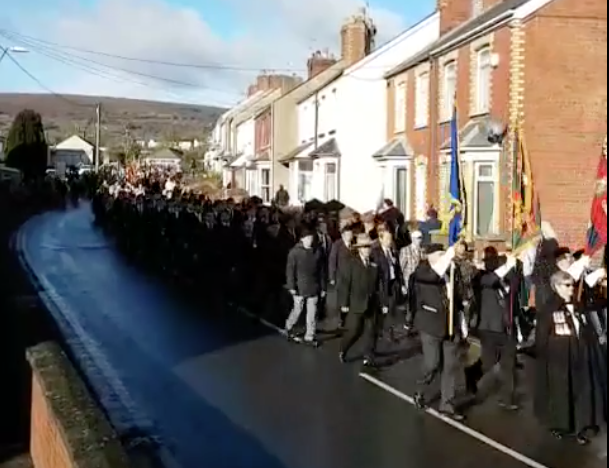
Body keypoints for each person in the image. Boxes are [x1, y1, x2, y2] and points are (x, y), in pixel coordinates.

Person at [534, 270, 605, 445]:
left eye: (572, 285)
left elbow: (586, 326)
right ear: (557, 286)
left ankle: (582, 425)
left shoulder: (577, 305)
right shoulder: (548, 308)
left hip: (580, 354)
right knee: (562, 393)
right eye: (567, 286)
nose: (571, 289)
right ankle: (561, 426)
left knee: (581, 391)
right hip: (559, 358)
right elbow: (542, 337)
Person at [412, 243, 467, 421]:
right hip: (430, 324)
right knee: (432, 363)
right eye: (439, 253)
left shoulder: (451, 270)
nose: (443, 256)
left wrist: (462, 322)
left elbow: (458, 297)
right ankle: (420, 389)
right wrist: (448, 256)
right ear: (429, 256)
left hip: (450, 324)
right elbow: (432, 276)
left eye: (443, 253)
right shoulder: (422, 270)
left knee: (450, 366)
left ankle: (447, 404)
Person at [474, 252, 520, 411]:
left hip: (506, 328)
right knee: (488, 364)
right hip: (489, 328)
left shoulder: (507, 279)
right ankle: (472, 377)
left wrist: (512, 269)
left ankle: (506, 398)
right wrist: (506, 267)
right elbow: (491, 280)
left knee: (509, 364)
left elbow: (515, 288)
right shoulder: (483, 278)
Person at [338, 233, 384, 366]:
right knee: (354, 330)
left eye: (369, 247)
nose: (367, 250)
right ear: (359, 248)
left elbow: (378, 283)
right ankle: (343, 349)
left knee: (371, 330)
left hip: (371, 302)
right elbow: (345, 284)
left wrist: (382, 301)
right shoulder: (351, 263)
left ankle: (368, 356)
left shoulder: (374, 263)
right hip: (356, 302)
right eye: (364, 247)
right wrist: (344, 303)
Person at [284, 225, 327, 346]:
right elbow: (290, 270)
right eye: (307, 238)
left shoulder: (318, 251)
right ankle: (289, 326)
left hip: (313, 286)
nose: (310, 240)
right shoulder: (294, 252)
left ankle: (310, 335)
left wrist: (323, 287)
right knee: (298, 309)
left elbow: (322, 271)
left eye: (311, 238)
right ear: (302, 239)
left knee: (312, 312)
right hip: (299, 286)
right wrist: (291, 286)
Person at [328, 223, 355, 329]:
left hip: (353, 276)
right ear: (343, 235)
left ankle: (350, 318)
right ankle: (341, 319)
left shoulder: (354, 244)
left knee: (352, 298)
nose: (350, 236)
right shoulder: (337, 245)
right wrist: (332, 277)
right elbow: (332, 261)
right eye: (348, 234)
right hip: (341, 277)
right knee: (343, 299)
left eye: (351, 234)